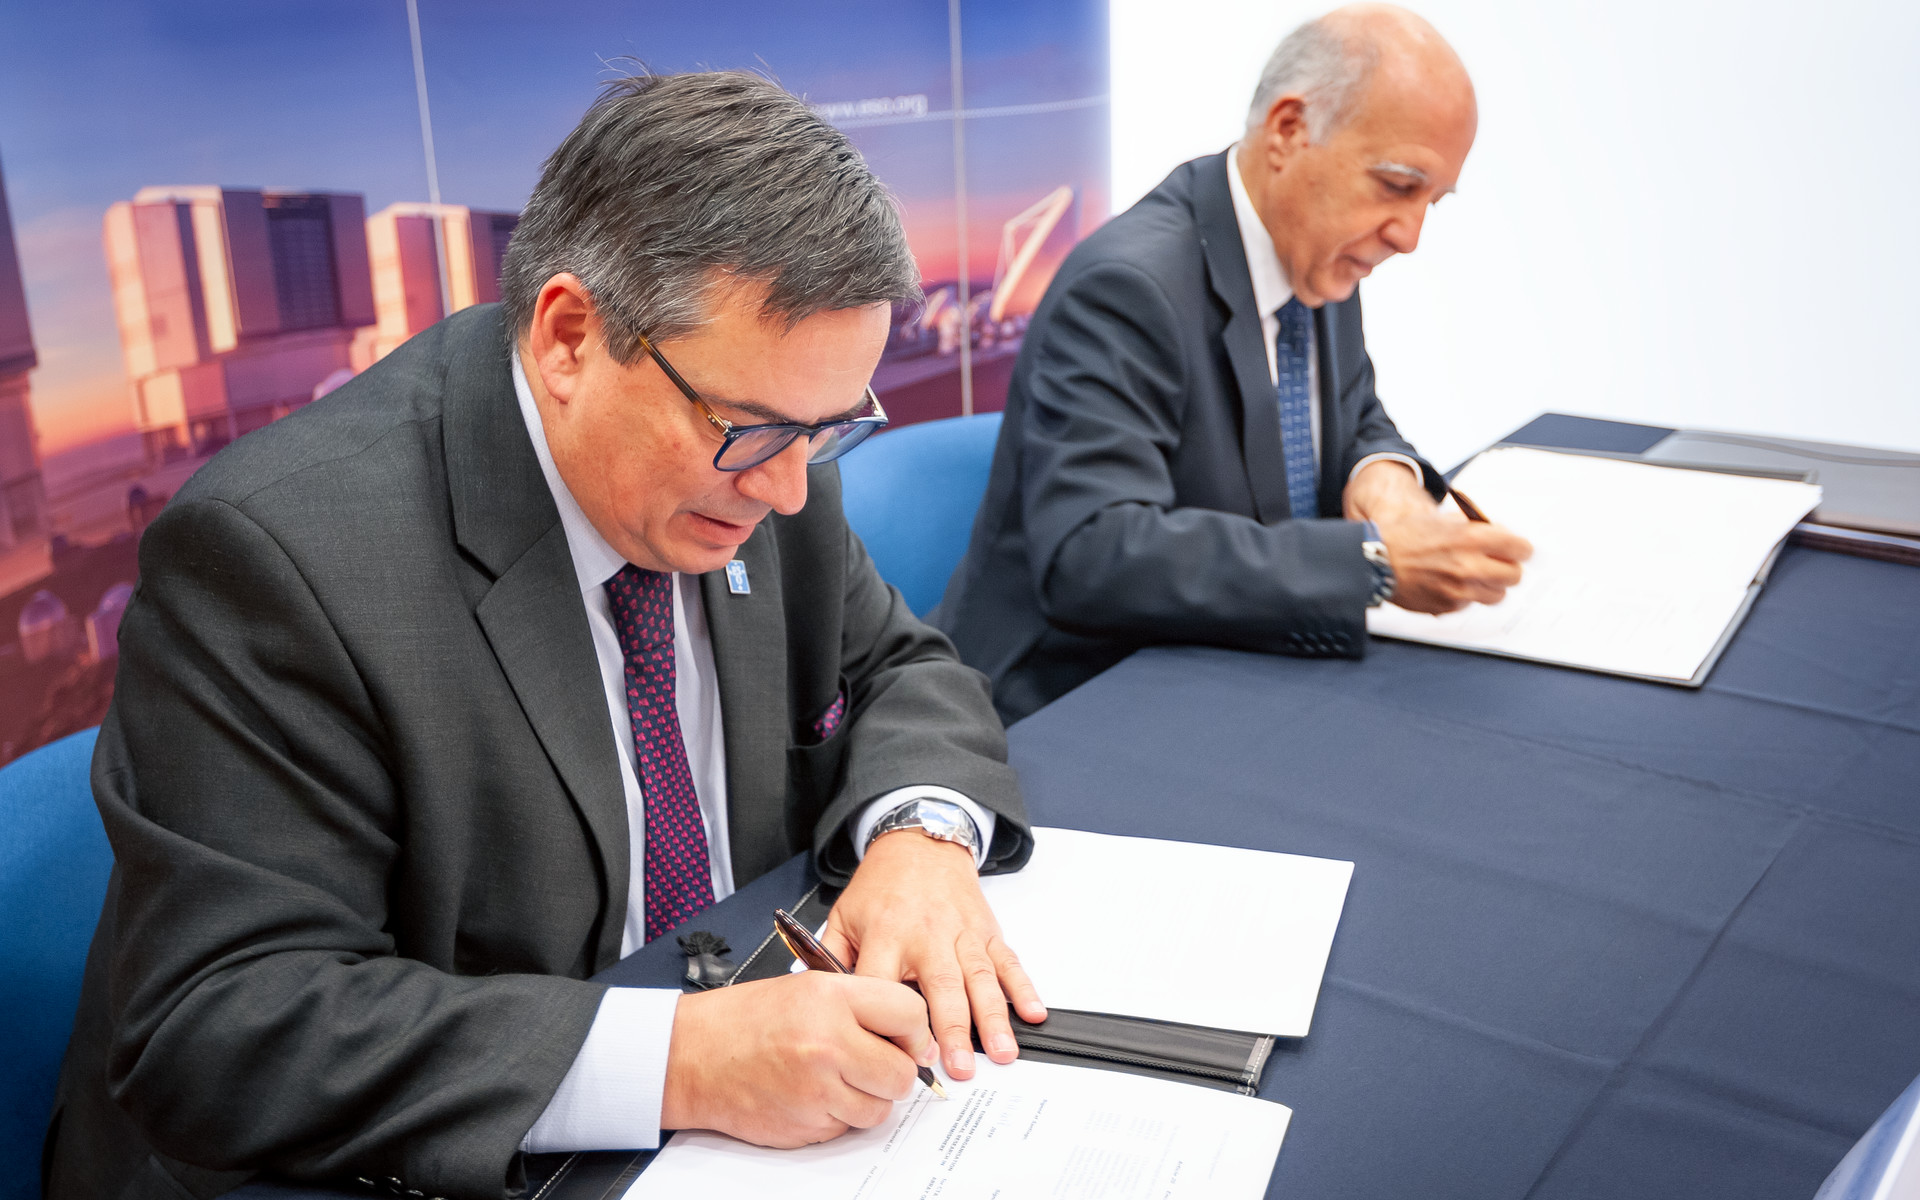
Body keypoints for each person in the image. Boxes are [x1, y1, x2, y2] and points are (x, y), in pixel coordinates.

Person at [45, 72, 1046, 1200]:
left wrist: (918, 840)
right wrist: (681, 1063)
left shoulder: (767, 455)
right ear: (570, 337)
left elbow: (901, 668)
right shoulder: (281, 557)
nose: (789, 491)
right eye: (754, 431)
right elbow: (224, 1021)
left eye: (827, 428)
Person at [934, 4, 1534, 723]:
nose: (1410, 236)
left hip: (1226, 666)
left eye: (1433, 200)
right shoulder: (1126, 288)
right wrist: (1370, 562)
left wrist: (1386, 478)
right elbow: (1093, 554)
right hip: (1069, 701)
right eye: (1398, 185)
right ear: (1289, 132)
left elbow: (1353, 413)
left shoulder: (1320, 252)